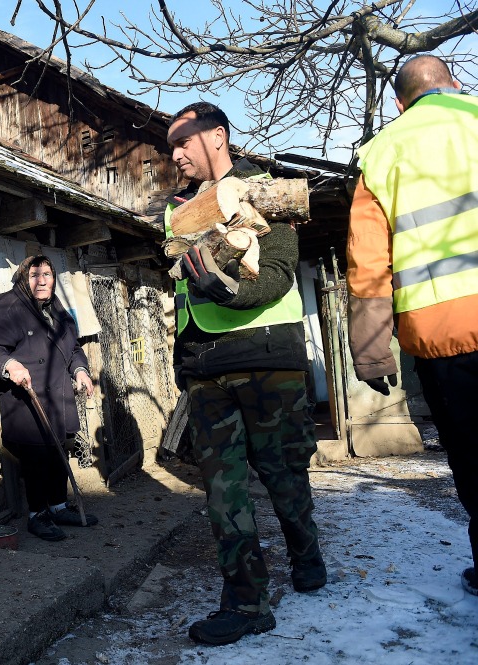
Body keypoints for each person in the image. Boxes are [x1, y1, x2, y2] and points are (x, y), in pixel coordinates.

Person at [165, 102, 325, 645]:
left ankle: (308, 559)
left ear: (218, 136)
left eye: (183, 140)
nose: (176, 153)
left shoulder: (263, 191)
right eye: (171, 146)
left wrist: (226, 289)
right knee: (222, 491)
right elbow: (184, 292)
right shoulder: (178, 212)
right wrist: (182, 357)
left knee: (284, 478)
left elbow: (278, 275)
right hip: (207, 370)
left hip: (265, 361)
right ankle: (246, 601)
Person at [346, 55, 478, 596]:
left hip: (443, 334)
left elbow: (369, 266)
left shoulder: (383, 152)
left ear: (399, 103)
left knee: (471, 457)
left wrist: (373, 354)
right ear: (457, 84)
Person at [0, 255, 98, 541]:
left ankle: (58, 506)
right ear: (22, 278)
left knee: (58, 451)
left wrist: (79, 369)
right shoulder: (6, 306)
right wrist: (8, 364)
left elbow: (73, 347)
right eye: (34, 275)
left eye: (47, 274)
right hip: (26, 398)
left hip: (58, 396)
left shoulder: (56, 308)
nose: (41, 281)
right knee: (36, 458)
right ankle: (36, 515)